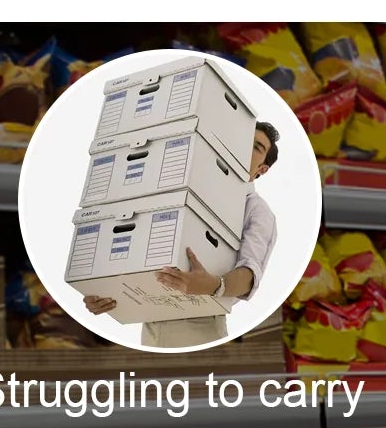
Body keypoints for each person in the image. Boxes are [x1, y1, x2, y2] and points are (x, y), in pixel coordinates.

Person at [82, 120, 281, 349]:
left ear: (261, 169)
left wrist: (214, 285)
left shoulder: (257, 210)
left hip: (200, 325)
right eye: (244, 138)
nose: (246, 146)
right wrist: (106, 293)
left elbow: (249, 275)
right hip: (150, 323)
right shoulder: (186, 185)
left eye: (256, 147)